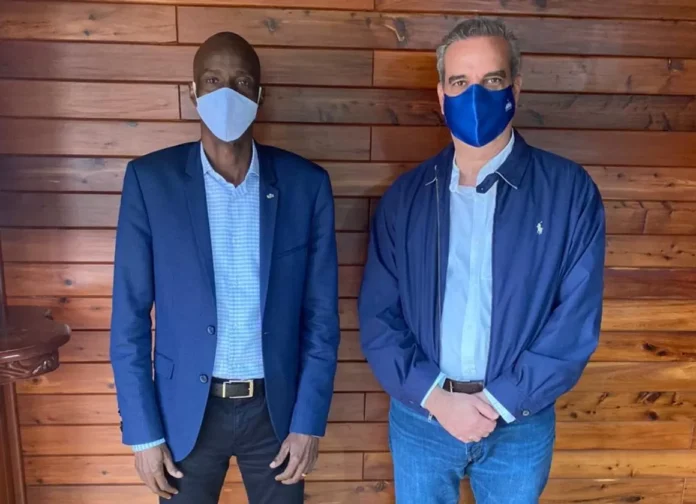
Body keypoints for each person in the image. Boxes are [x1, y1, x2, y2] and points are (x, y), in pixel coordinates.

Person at [359, 18, 605, 504]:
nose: (475, 95)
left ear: (516, 87)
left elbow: (574, 321)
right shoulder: (405, 199)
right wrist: (435, 397)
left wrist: (502, 401)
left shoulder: (568, 193)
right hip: (423, 418)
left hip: (520, 424)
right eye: (459, 82)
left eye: (491, 80)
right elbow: (378, 315)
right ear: (441, 95)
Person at [110, 32, 340, 504]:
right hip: (184, 414)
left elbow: (321, 318)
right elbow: (128, 319)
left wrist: (309, 423)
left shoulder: (306, 186)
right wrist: (143, 433)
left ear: (259, 95)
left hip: (276, 414)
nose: (227, 93)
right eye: (213, 80)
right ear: (193, 91)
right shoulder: (151, 183)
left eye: (241, 82)